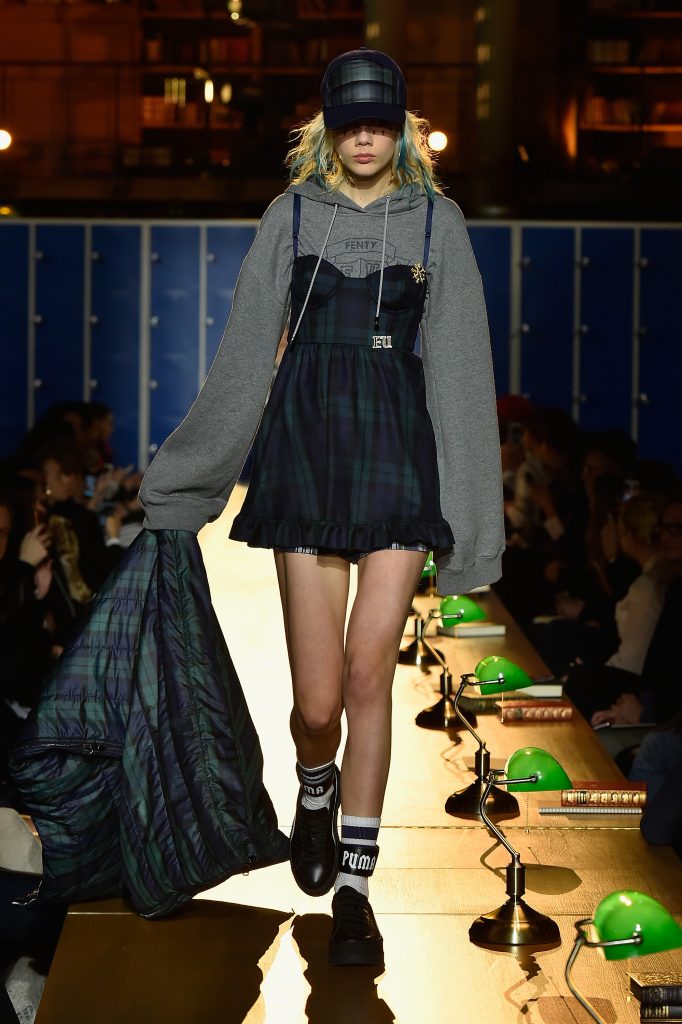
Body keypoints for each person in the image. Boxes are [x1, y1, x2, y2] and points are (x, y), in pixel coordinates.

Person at [139, 48, 503, 966]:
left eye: (380, 122)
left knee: (371, 673)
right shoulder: (291, 215)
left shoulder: (438, 224)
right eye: (351, 123)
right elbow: (241, 360)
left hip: (396, 458)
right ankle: (314, 784)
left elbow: (462, 376)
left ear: (403, 127)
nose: (366, 137)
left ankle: (355, 890)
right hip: (305, 453)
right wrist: (186, 485)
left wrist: (473, 531)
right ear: (329, 129)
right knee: (318, 700)